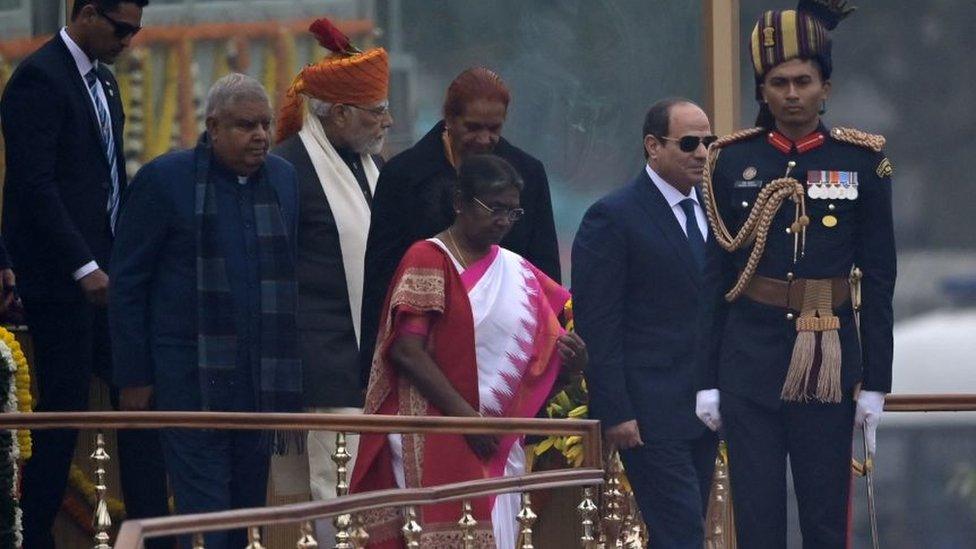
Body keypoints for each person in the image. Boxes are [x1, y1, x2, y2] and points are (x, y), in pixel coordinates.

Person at [695, 2, 896, 547]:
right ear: (762, 92)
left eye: (803, 81)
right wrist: (707, 378)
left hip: (826, 355)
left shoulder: (862, 161)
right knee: (757, 519)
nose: (791, 93)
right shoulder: (730, 161)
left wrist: (877, 381)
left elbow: (879, 280)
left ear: (824, 88)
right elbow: (715, 280)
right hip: (749, 357)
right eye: (778, 82)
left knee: (825, 517)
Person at [350, 154, 586, 548]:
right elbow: (407, 350)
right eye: (494, 208)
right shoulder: (428, 257)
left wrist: (573, 365)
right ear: (459, 202)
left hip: (495, 438)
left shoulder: (518, 271)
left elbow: (536, 370)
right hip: (436, 427)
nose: (504, 221)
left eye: (513, 212)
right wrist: (468, 421)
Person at [110, 73, 302, 549]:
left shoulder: (284, 179)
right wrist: (133, 375)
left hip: (258, 385)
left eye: (265, 124)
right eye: (244, 125)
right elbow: (129, 284)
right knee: (207, 518)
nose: (260, 135)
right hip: (188, 383)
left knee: (244, 516)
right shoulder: (165, 181)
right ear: (212, 127)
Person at [0, 2, 168, 547]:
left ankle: (152, 531)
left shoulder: (104, 83)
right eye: (121, 29)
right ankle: (33, 535)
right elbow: (35, 186)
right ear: (87, 13)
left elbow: (109, 181)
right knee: (63, 414)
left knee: (139, 393)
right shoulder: (40, 80)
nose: (128, 41)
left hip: (106, 274)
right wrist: (84, 265)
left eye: (136, 31)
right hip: (61, 279)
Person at [573, 98, 719, 548]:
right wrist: (616, 409)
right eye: (689, 143)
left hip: (705, 408)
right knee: (681, 534)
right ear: (653, 146)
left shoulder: (717, 212)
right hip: (650, 410)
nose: (701, 154)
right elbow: (599, 323)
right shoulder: (613, 216)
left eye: (708, 143)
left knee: (683, 528)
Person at [360, 67, 561, 384]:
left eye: (494, 128)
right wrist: (369, 375)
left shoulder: (529, 174)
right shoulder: (403, 176)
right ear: (448, 120)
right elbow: (380, 280)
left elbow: (542, 272)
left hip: (503, 359)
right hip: (421, 357)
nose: (484, 139)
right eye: (473, 128)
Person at [272, 17, 392, 540]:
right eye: (377, 111)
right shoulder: (289, 170)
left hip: (375, 359)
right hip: (323, 364)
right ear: (339, 113)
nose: (387, 121)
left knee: (375, 492)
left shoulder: (373, 166)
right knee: (333, 489)